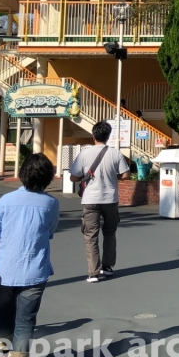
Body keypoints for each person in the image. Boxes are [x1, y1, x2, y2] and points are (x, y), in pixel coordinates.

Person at [0, 153, 60, 357]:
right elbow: (50, 232)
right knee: (26, 320)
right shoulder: (51, 203)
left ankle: (5, 351)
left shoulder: (5, 201)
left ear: (22, 174)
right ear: (48, 178)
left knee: (4, 316)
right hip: (35, 270)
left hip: (4, 270)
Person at [68, 120, 129, 283]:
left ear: (93, 135)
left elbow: (73, 177)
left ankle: (93, 272)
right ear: (108, 136)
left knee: (90, 235)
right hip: (110, 199)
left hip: (90, 199)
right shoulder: (115, 153)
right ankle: (107, 266)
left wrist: (84, 177)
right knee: (110, 233)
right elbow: (125, 175)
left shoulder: (84, 153)